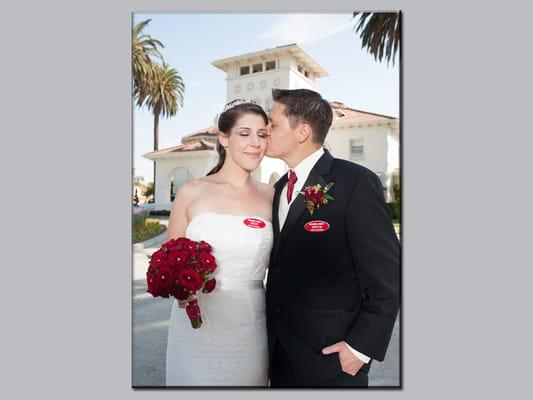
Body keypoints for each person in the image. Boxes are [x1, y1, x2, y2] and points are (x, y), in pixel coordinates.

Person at [265, 89, 400, 387]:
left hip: (332, 363)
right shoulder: (279, 188)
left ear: (302, 132)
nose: (265, 130)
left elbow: (388, 276)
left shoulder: (355, 182)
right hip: (280, 357)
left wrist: (360, 349)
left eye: (273, 123)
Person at [164, 99, 274, 386]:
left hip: (249, 327)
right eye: (244, 133)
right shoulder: (191, 192)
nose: (256, 143)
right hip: (195, 326)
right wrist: (179, 290)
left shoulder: (272, 196)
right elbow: (168, 260)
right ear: (223, 138)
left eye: (262, 134)